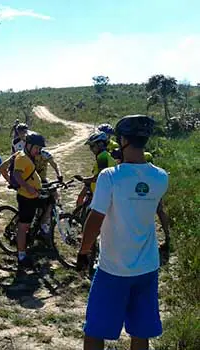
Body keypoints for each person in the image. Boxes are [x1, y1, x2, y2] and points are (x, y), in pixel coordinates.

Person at [77, 115, 168, 350]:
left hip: (113, 269)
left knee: (95, 332)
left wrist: (84, 250)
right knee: (140, 333)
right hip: (147, 267)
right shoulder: (161, 177)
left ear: (124, 141)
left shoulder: (110, 177)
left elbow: (95, 218)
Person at [0, 132, 44, 267]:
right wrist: (25, 187)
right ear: (29, 145)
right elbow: (17, 175)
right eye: (37, 148)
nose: (38, 151)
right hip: (26, 197)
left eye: (40, 149)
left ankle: (39, 234)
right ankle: (21, 256)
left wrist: (14, 184)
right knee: (23, 227)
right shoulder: (22, 157)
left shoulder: (20, 154)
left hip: (32, 195)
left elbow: (2, 168)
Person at [76, 131, 116, 207]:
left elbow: (100, 177)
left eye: (92, 146)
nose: (91, 149)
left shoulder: (102, 157)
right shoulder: (105, 155)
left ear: (100, 144)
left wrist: (84, 179)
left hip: (103, 194)